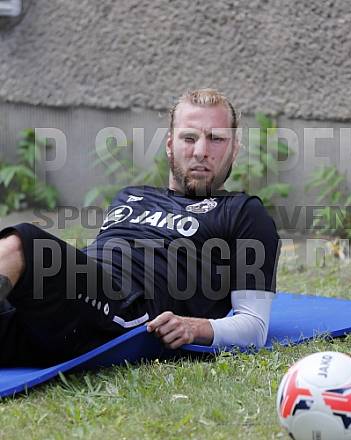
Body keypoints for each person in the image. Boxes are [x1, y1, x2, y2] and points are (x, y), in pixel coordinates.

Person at [0, 88, 280, 367]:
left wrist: (194, 327)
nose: (201, 152)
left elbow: (253, 326)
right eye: (189, 138)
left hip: (127, 309)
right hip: (69, 307)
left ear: (234, 149)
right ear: (170, 144)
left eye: (216, 139)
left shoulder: (243, 212)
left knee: (21, 245)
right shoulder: (130, 196)